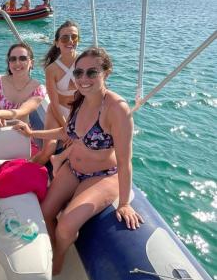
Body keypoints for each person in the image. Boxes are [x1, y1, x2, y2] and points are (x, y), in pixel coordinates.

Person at [14, 47, 144, 275]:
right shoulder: (79, 99)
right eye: (78, 73)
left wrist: (124, 203)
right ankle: (53, 246)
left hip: (102, 176)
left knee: (65, 226)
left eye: (91, 73)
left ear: (106, 73)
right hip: (73, 169)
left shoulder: (117, 109)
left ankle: (59, 259)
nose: (83, 79)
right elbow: (67, 134)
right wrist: (31, 134)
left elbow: (125, 162)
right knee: (44, 212)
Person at [0, 43, 46, 155]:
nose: (17, 63)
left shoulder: (38, 89)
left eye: (23, 58)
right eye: (13, 59)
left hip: (23, 137)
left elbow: (22, 111)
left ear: (31, 62)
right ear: (8, 63)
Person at [32, 20, 80, 174]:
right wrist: (66, 128)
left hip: (77, 113)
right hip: (56, 110)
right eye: (65, 38)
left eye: (74, 37)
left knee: (82, 144)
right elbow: (53, 102)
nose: (70, 41)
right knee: (48, 150)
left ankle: (59, 164)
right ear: (57, 43)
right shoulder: (52, 69)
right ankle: (24, 172)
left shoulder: (84, 63)